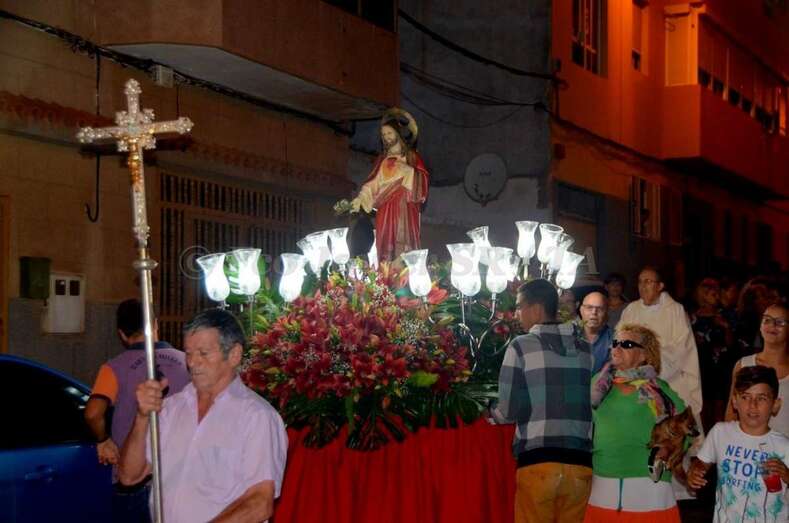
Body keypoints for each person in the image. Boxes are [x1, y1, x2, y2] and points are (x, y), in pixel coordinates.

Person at [118, 309, 288, 523]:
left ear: (234, 355)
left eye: (203, 353)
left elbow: (259, 503)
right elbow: (129, 476)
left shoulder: (257, 417)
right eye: (188, 353)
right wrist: (142, 417)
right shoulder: (171, 408)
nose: (192, 362)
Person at [492, 279, 593, 523]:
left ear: (536, 309)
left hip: (539, 464)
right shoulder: (584, 347)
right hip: (581, 466)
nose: (517, 314)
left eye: (519, 307)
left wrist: (489, 413)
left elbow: (508, 411)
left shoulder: (520, 346)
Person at [84, 299, 190, 523]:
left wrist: (103, 440)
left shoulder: (114, 367)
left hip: (136, 479)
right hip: (181, 479)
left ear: (121, 334)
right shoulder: (187, 362)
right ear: (155, 324)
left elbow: (93, 412)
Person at [584, 324, 686, 522]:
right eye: (615, 343)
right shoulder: (597, 384)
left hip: (648, 489)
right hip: (602, 486)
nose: (617, 348)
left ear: (644, 355)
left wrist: (669, 450)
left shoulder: (660, 390)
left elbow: (686, 429)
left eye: (627, 344)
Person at [688, 365, 789, 522]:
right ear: (735, 401)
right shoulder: (720, 432)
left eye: (761, 398)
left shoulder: (783, 446)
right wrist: (694, 472)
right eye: (745, 397)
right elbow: (701, 464)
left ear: (775, 405)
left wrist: (786, 474)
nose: (752, 405)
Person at [619, 267, 703, 423]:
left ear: (660, 286)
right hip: (634, 380)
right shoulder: (631, 310)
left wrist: (651, 364)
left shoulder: (675, 311)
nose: (643, 286)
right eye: (640, 282)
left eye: (648, 282)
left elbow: (682, 348)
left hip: (669, 379)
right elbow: (619, 341)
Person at [350, 108, 429, 261]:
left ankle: (405, 276)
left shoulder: (411, 157)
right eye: (384, 134)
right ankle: (386, 279)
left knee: (404, 244)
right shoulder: (382, 159)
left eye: (389, 133)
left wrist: (408, 171)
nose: (386, 137)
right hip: (385, 209)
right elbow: (373, 183)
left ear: (398, 133)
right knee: (385, 244)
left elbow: (423, 179)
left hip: (405, 207)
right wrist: (360, 198)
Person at [725, 303, 789, 436]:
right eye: (767, 320)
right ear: (760, 326)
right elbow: (731, 412)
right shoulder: (744, 364)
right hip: (748, 449)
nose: (773, 326)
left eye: (780, 322)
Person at [689, 278, 735, 433]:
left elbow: (731, 343)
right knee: (704, 403)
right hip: (703, 364)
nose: (716, 297)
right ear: (703, 296)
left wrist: (726, 327)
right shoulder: (693, 317)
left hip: (722, 364)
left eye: (717, 293)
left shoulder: (725, 314)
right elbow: (689, 344)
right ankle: (706, 437)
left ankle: (721, 435)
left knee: (721, 402)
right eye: (712, 294)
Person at [579, 290, 613, 374]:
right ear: (581, 310)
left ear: (606, 312)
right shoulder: (567, 334)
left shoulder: (614, 338)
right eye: (589, 308)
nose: (594, 312)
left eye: (600, 309)